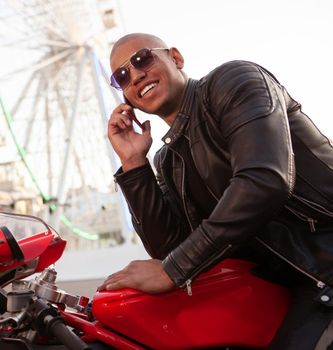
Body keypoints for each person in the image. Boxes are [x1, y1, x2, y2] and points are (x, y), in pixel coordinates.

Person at [99, 33, 333, 349]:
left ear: (176, 58)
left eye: (142, 59)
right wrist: (133, 164)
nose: (136, 74)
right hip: (293, 285)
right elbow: (168, 246)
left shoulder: (235, 81)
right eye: (122, 76)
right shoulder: (169, 160)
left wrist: (172, 270)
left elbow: (263, 181)